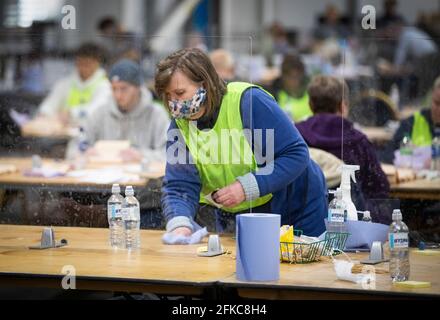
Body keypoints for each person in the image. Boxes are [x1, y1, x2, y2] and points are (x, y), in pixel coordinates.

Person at [154, 48, 328, 238]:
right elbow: (179, 185)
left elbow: (296, 154)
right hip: (239, 209)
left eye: (179, 93)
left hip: (295, 201)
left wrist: (246, 187)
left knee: (298, 265)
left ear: (204, 84)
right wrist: (180, 224)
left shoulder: (249, 102)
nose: (174, 103)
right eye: (169, 96)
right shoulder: (179, 126)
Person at [295, 75, 390, 223]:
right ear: (343, 105)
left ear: (310, 104)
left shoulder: (295, 137)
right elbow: (380, 190)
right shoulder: (358, 142)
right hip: (349, 225)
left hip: (304, 221)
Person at [84, 59, 170, 162]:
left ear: (138, 87)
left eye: (123, 88)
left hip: (144, 176)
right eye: (114, 89)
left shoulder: (156, 114)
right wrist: (85, 152)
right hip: (104, 175)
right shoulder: (99, 114)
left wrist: (142, 156)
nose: (118, 95)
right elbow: (77, 147)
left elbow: (170, 154)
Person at [38, 43, 111, 125]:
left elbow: (97, 109)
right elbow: (49, 105)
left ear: (96, 63)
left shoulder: (105, 85)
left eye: (87, 64)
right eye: (80, 63)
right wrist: (44, 114)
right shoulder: (65, 83)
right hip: (62, 130)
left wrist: (71, 113)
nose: (83, 68)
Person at [387, 76, 440, 160]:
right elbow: (389, 155)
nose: (439, 110)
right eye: (437, 103)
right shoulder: (411, 123)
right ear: (431, 98)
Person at [269, 54, 313, 122]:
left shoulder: (312, 93)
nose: (294, 80)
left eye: (297, 76)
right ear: (283, 77)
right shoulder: (273, 96)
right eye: (290, 76)